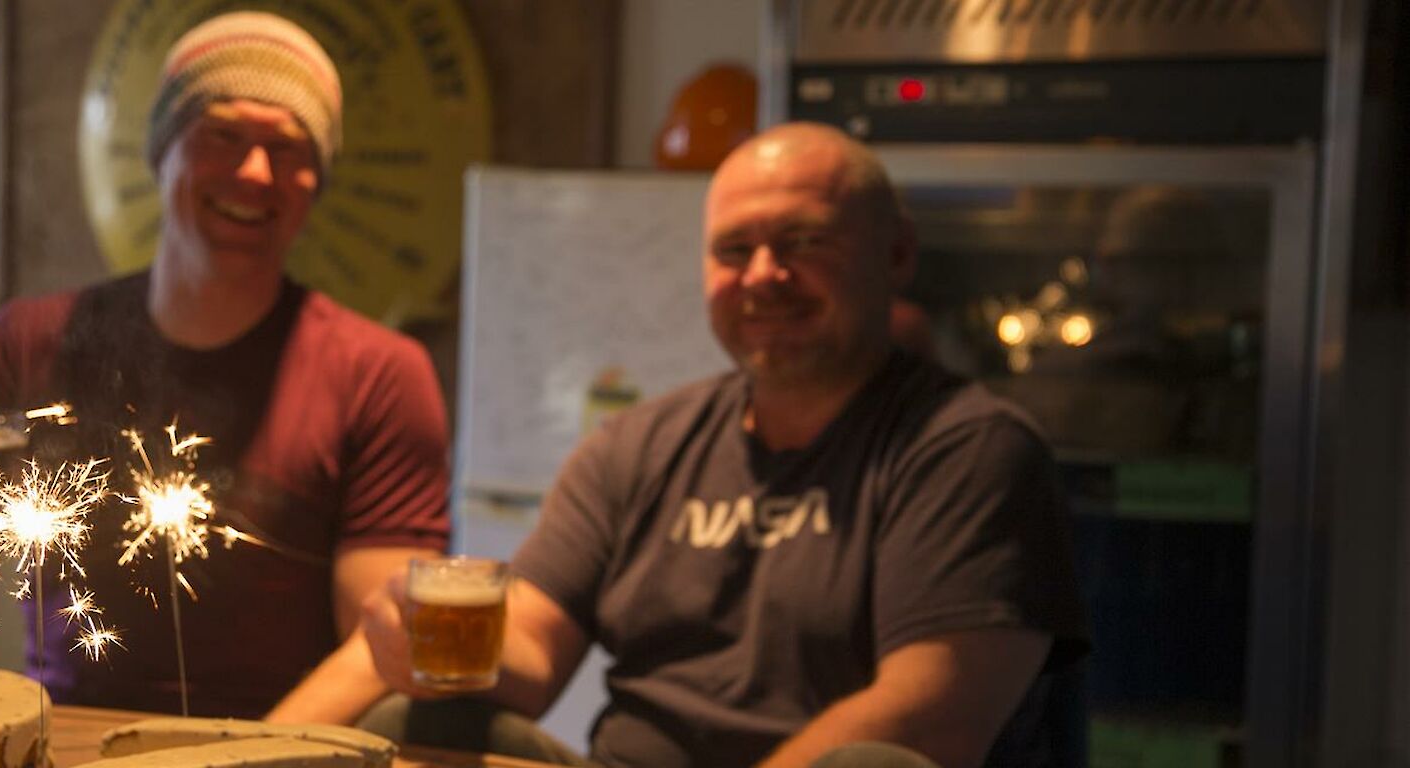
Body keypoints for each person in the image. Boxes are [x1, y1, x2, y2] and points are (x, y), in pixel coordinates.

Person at [0, 11, 451, 721]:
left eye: (290, 149)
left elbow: (380, 638)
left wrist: (251, 755)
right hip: (55, 733)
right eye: (223, 135)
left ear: (317, 182)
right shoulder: (33, 341)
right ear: (162, 151)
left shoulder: (377, 374)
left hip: (271, 739)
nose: (255, 171)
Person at [354, 123, 1088, 768]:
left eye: (803, 241)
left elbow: (931, 722)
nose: (763, 274)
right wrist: (422, 642)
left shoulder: (971, 448)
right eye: (734, 249)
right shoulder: (640, 445)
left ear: (895, 254)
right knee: (413, 722)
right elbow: (533, 654)